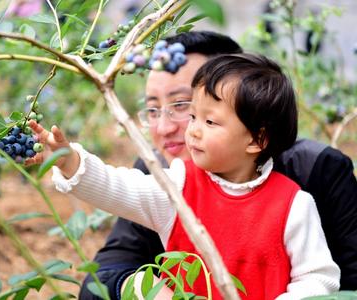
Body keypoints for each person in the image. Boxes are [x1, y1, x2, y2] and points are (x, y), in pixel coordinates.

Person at [27, 53, 340, 299]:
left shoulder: (293, 205)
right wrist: (69, 160)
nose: (193, 130)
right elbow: (118, 187)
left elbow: (318, 277)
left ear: (256, 140)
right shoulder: (178, 186)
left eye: (210, 121)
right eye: (193, 116)